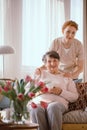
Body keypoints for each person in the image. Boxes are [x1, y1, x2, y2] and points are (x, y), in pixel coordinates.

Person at [30, 51, 79, 130]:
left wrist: (61, 92)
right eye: (49, 61)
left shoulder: (66, 76)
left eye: (55, 61)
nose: (52, 63)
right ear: (45, 64)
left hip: (58, 104)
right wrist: (38, 91)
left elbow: (74, 97)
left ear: (59, 62)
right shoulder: (40, 74)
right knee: (35, 108)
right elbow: (28, 91)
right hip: (40, 102)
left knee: (53, 106)